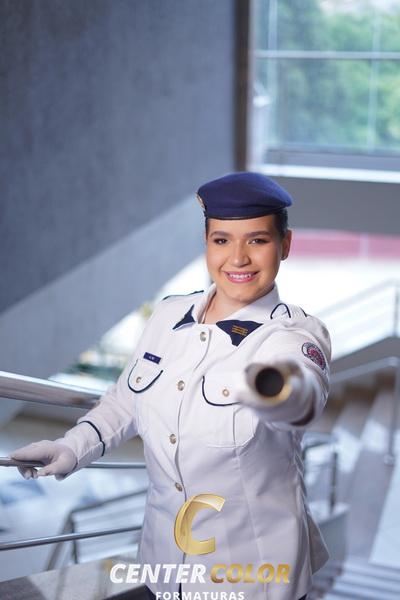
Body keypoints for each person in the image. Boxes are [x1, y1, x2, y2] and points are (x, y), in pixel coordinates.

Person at [11, 172, 331, 600]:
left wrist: (273, 387)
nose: (237, 258)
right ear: (207, 244)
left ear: (285, 245)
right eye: (221, 240)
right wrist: (71, 447)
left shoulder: (293, 335)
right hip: (164, 567)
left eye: (257, 240)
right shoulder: (167, 316)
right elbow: (125, 402)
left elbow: (302, 397)